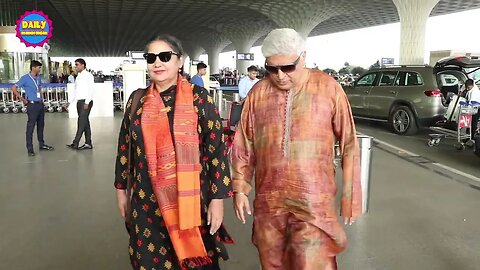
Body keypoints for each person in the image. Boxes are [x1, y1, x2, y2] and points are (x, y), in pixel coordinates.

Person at [231, 28, 362, 270]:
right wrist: (240, 188)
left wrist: (350, 197)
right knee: (272, 262)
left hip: (313, 202)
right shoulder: (258, 93)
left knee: (311, 263)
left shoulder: (328, 88)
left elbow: (350, 143)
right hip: (269, 202)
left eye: (287, 67)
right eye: (271, 68)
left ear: (303, 57)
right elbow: (244, 143)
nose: (279, 75)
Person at [114, 35, 233, 270]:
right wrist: (121, 190)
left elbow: (216, 152)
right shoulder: (136, 100)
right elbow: (125, 149)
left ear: (180, 61)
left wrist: (217, 199)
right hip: (146, 203)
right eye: (151, 57)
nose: (157, 63)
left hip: (191, 201)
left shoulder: (199, 98)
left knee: (194, 260)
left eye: (165, 56)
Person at [11, 60, 54, 156]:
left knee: (41, 125)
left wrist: (41, 99)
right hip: (32, 105)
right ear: (33, 67)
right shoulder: (25, 78)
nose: (40, 69)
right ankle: (29, 148)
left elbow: (38, 88)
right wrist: (22, 99)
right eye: (39, 68)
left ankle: (41, 144)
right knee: (30, 127)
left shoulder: (38, 78)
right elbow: (13, 87)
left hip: (39, 104)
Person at [67, 58, 94, 150]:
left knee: (81, 122)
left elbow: (91, 89)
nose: (76, 67)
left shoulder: (88, 76)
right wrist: (69, 102)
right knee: (85, 122)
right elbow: (76, 91)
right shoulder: (78, 76)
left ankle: (76, 142)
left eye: (77, 65)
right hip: (79, 102)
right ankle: (88, 143)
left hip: (86, 102)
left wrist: (87, 102)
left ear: (83, 65)